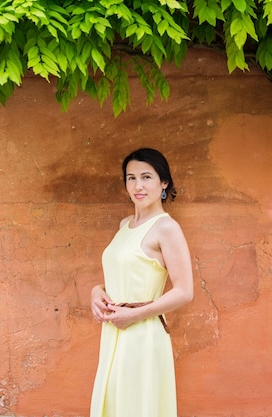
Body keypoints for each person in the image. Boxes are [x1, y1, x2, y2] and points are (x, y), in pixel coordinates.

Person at [89, 147, 194, 417]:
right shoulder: (125, 225)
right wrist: (96, 290)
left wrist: (135, 314)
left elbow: (184, 291)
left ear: (164, 182)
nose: (138, 185)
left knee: (136, 406)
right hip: (114, 332)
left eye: (146, 177)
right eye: (131, 177)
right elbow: (122, 275)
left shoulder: (166, 228)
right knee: (114, 405)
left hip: (143, 335)